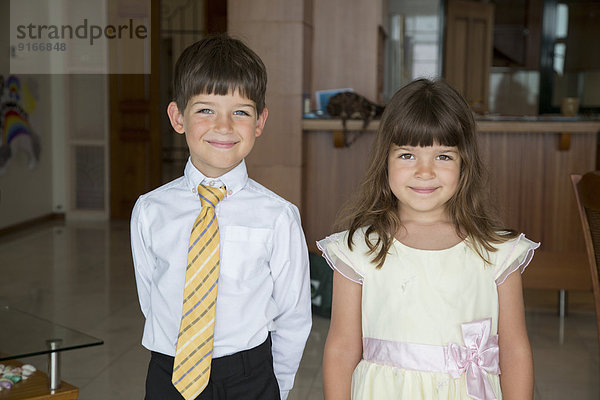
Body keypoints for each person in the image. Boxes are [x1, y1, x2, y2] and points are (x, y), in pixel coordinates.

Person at [318, 78, 537, 400]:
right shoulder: (358, 251)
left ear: (465, 164)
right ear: (385, 161)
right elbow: (341, 349)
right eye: (407, 155)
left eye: (443, 157)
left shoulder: (497, 252)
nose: (425, 171)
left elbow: (515, 350)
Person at [131, 34, 312, 400]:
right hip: (170, 372)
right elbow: (151, 296)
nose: (224, 126)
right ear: (178, 117)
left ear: (259, 122)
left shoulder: (278, 216)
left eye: (241, 112)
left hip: (250, 376)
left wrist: (278, 385)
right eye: (205, 110)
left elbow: (293, 314)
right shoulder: (150, 210)